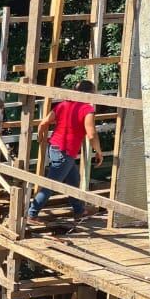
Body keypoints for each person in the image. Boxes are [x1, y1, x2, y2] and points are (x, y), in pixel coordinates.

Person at [28, 80, 105, 223]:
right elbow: (91, 134)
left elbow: (43, 123)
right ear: (90, 93)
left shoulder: (63, 104)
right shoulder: (87, 109)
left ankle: (79, 210)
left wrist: (41, 137)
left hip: (55, 148)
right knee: (51, 185)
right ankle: (32, 214)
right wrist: (99, 151)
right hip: (65, 151)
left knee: (73, 180)